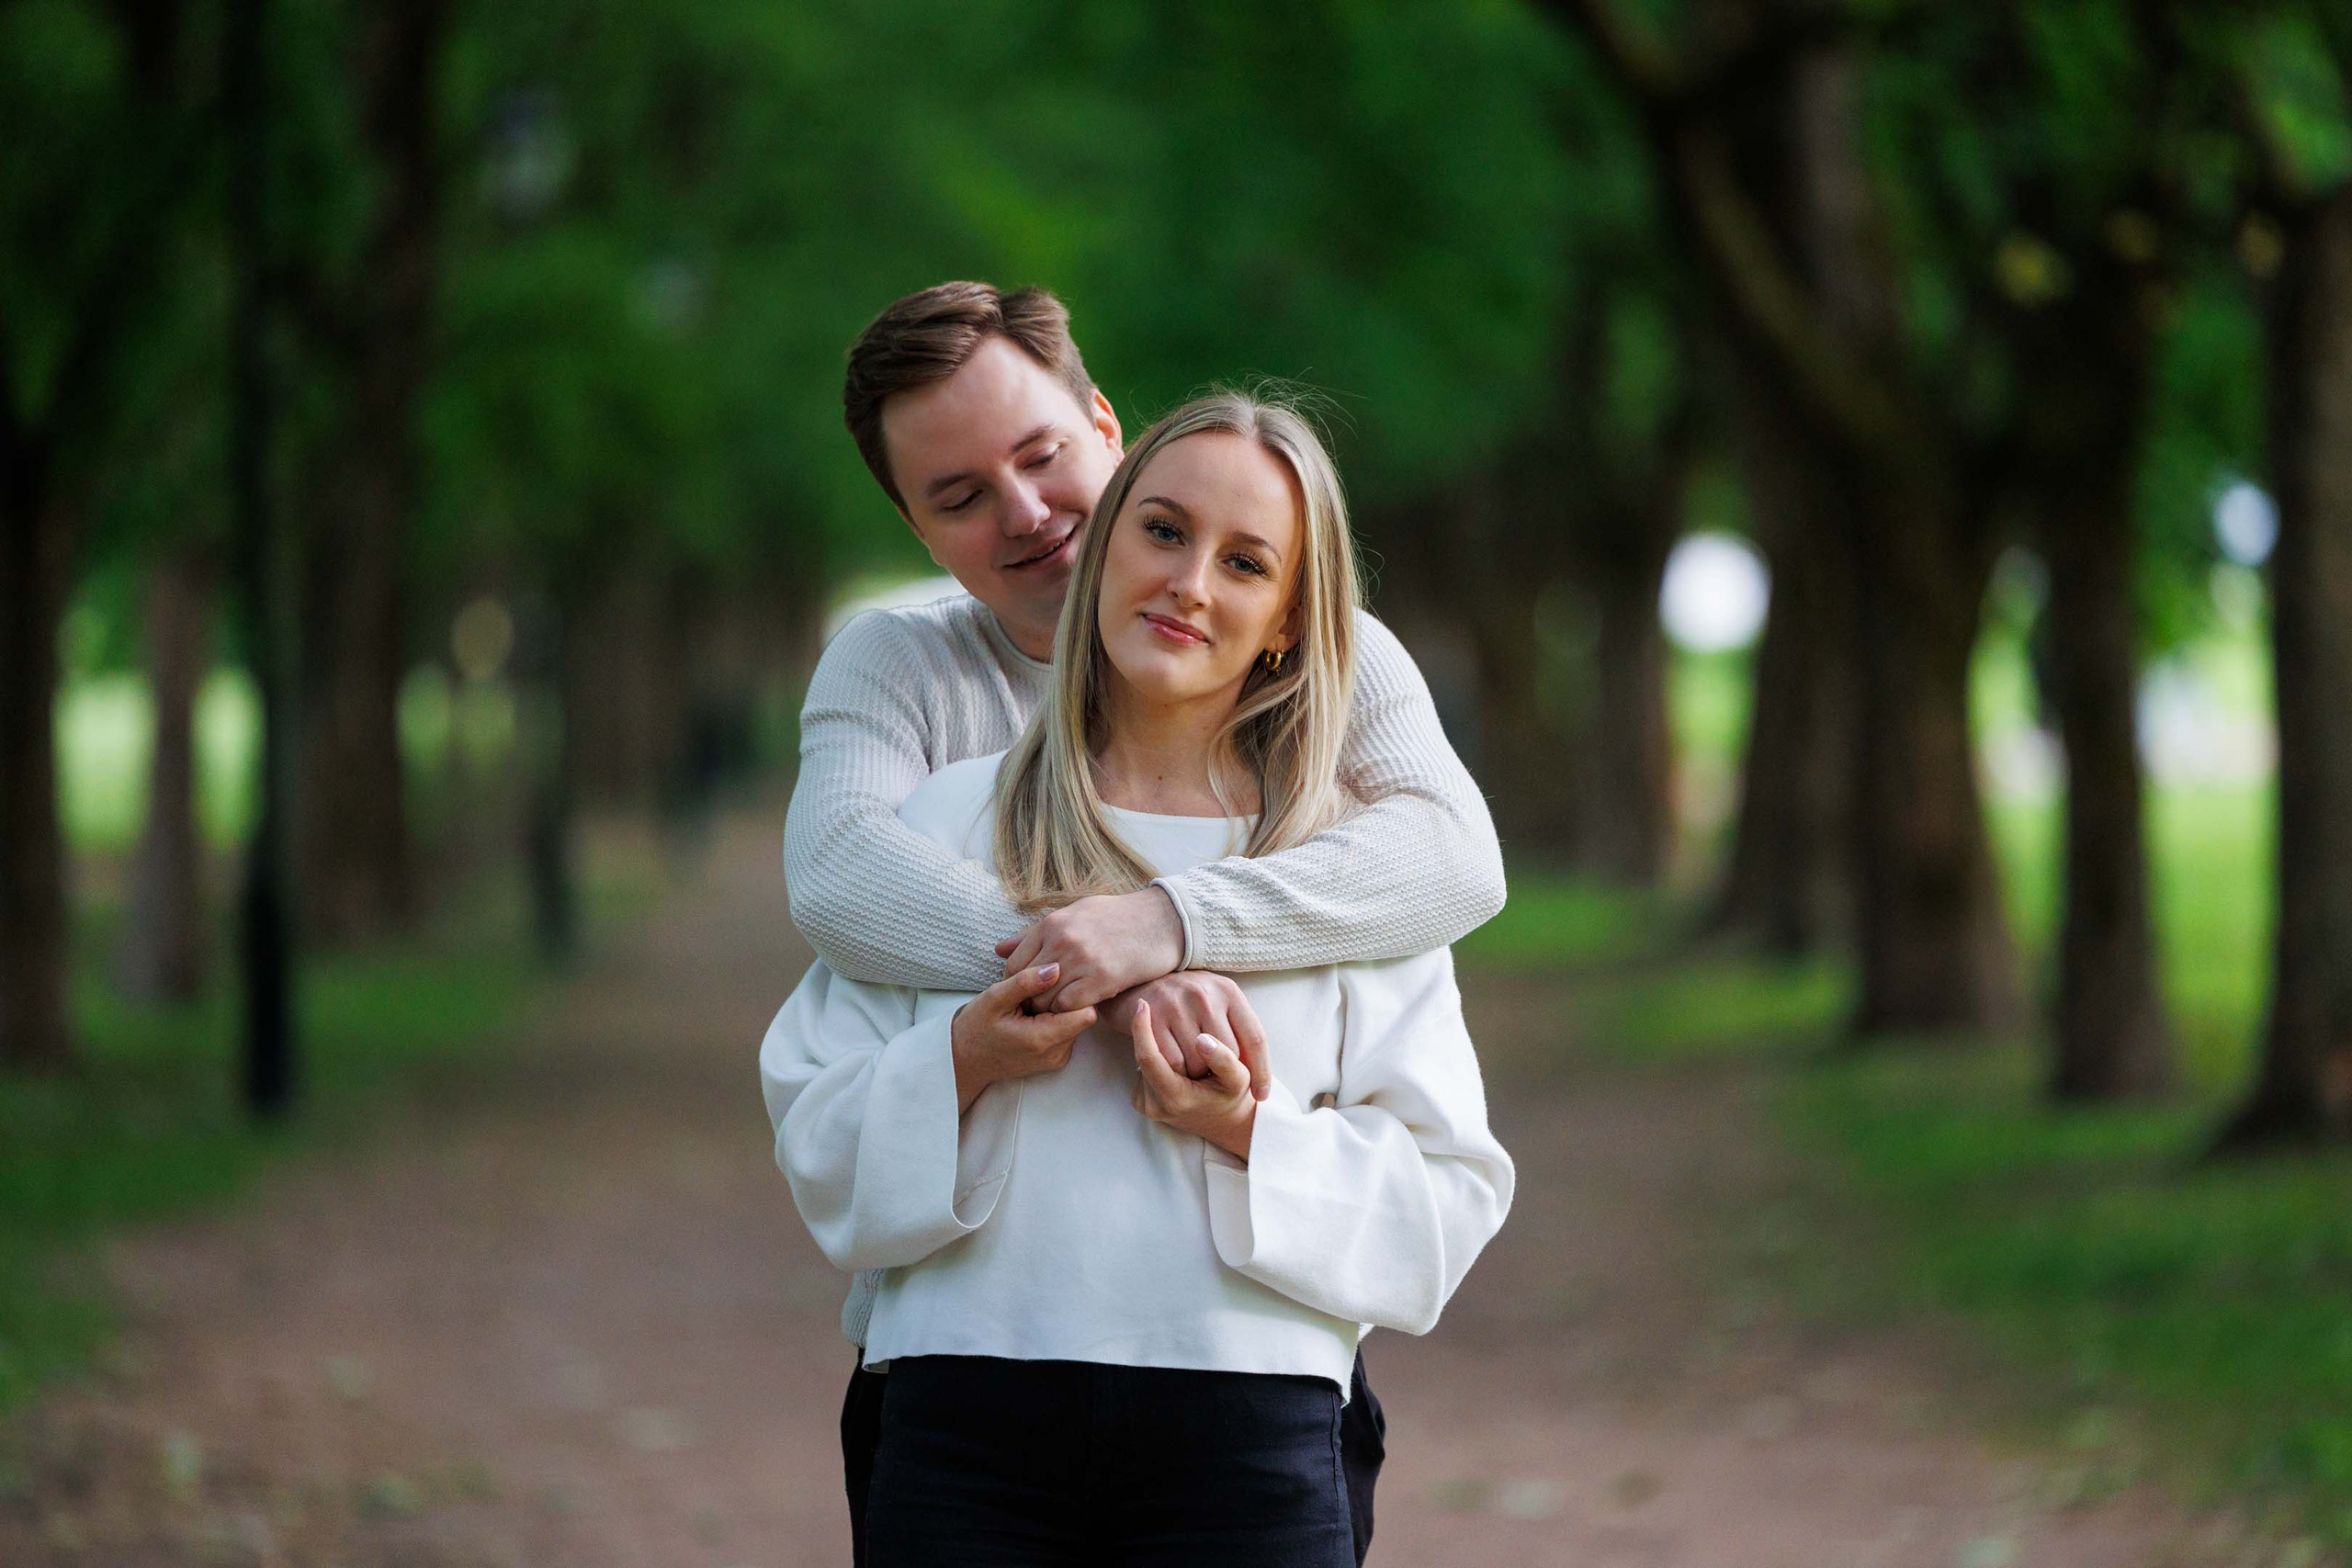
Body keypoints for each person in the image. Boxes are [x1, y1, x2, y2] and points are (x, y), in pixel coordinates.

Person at [785, 282, 1508, 1563]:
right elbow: (838, 895)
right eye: (959, 495)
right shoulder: (927, 776)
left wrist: (1183, 948)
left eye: (1041, 456)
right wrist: (1086, 982)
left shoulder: (1348, 815)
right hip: (962, 1410)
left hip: (1250, 1423)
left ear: (1104, 435)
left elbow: (1455, 864)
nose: (1025, 513)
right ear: (913, 523)